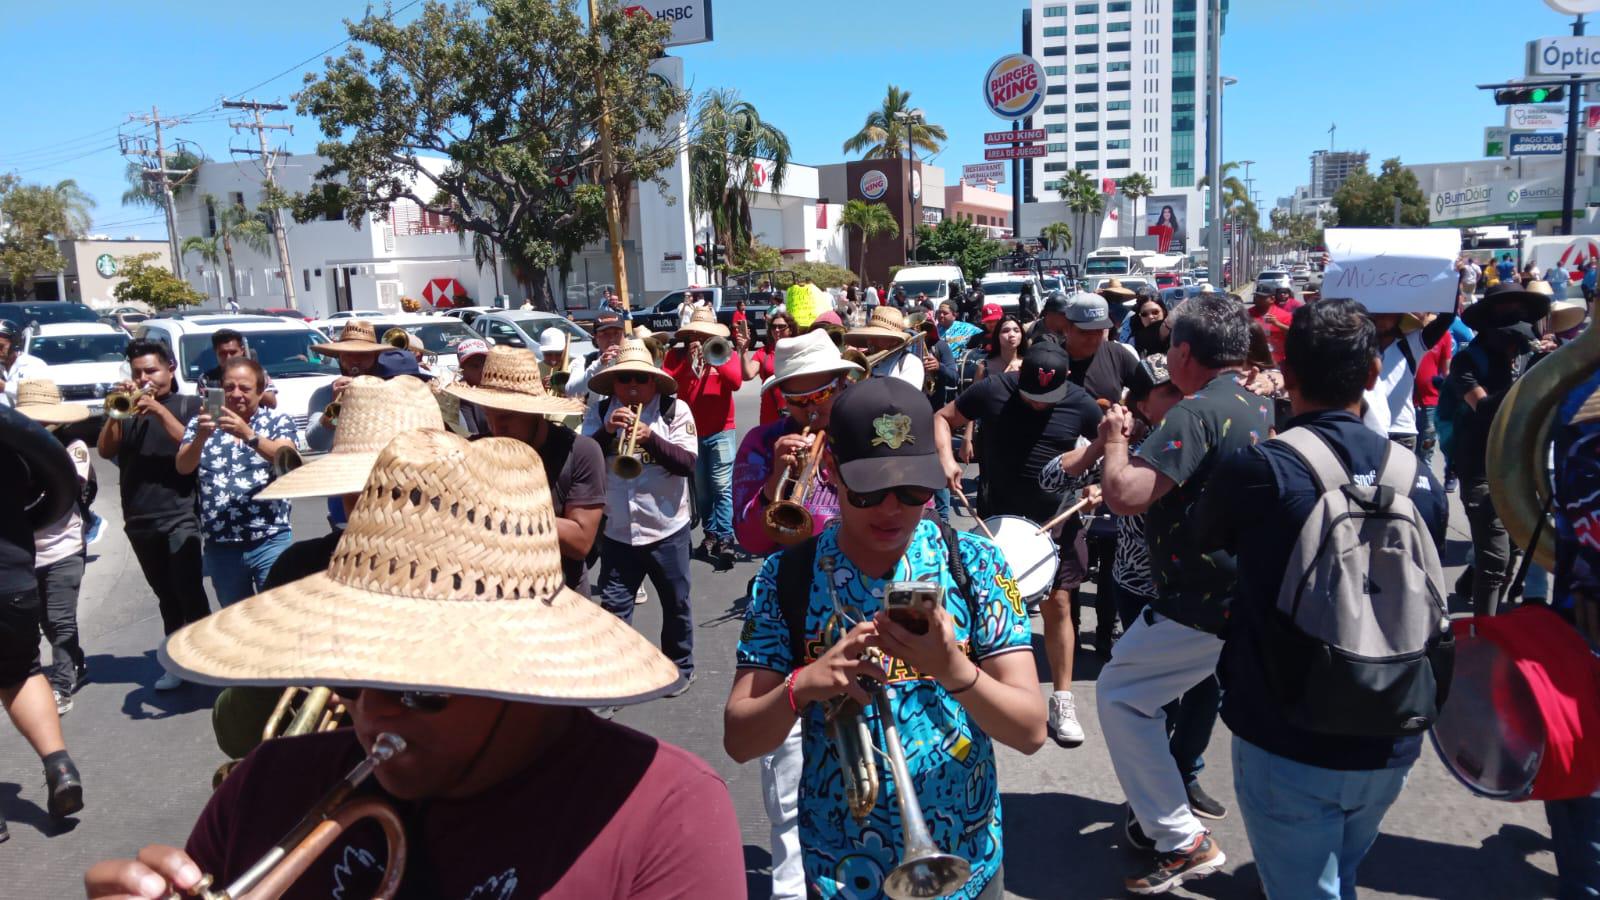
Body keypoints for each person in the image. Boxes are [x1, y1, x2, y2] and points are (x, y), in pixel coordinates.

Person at [88, 429, 745, 899]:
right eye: (348, 675)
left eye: (420, 689)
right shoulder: (266, 786)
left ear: (519, 671)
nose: (371, 715)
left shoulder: (662, 812)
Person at [724, 376, 1046, 900]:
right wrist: (803, 686)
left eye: (914, 489)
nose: (892, 509)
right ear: (830, 473)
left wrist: (954, 671)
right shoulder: (786, 576)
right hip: (840, 871)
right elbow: (739, 739)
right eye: (869, 490)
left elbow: (1031, 730)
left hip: (967, 860)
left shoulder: (977, 565)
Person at [1192, 299, 1447, 900]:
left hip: (1286, 731)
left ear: (1288, 371)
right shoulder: (1420, 479)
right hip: (1393, 726)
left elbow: (1208, 538)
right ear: (1370, 376)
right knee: (1340, 871)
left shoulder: (1260, 471)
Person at [1097, 295, 1273, 893]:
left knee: (1120, 695)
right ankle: (1164, 820)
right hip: (1244, 591)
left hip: (1200, 599)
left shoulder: (1194, 412)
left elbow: (1125, 493)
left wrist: (1115, 439)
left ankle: (1180, 836)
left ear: (1186, 352)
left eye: (1170, 345)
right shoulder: (1259, 406)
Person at [729, 329, 862, 900]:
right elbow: (746, 533)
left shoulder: (872, 433)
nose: (807, 412)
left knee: (869, 761)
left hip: (863, 609)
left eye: (819, 398)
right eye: (795, 401)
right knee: (787, 777)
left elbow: (919, 510)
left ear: (842, 385)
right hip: (791, 612)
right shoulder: (761, 443)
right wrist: (771, 487)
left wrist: (840, 468)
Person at [936, 340, 1104, 750]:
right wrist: (947, 457)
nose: (1038, 405)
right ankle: (984, 694)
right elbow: (943, 417)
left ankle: (1061, 700)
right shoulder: (993, 389)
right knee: (986, 608)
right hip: (997, 519)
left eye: (1047, 399)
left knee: (1060, 604)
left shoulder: (1080, 403)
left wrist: (1100, 481)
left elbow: (1109, 444)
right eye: (1031, 396)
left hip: (1056, 517)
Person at [585, 341, 700, 689]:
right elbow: (584, 458)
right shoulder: (601, 410)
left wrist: (649, 438)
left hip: (667, 528)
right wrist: (606, 434)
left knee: (675, 603)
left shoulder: (675, 411)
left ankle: (680, 667)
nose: (632, 386)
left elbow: (686, 463)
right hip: (619, 530)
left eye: (640, 378)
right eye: (623, 379)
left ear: (654, 382)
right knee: (614, 610)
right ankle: (618, 677)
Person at [98, 340, 209, 691]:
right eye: (137, 373)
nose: (145, 378)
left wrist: (158, 410)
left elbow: (190, 444)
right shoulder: (127, 408)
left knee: (189, 590)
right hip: (139, 516)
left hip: (180, 511)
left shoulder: (189, 405)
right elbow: (105, 449)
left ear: (170, 368)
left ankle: (207, 655)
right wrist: (118, 412)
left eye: (151, 371)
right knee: (166, 595)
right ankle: (176, 660)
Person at [447, 347, 601, 595]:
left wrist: (503, 512)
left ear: (535, 412)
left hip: (560, 595)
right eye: (489, 416)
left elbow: (580, 542)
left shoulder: (580, 451)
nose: (496, 428)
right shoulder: (476, 448)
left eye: (507, 417)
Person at [0, 405, 85, 839]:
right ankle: (59, 763)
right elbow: (49, 491)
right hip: (12, 581)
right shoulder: (11, 446)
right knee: (22, 671)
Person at [1443, 283, 1548, 617]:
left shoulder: (1530, 356)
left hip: (1519, 468)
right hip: (1479, 468)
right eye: (1505, 310)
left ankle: (1471, 585)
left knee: (1514, 549)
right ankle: (1484, 631)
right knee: (1496, 560)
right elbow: (1484, 407)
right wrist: (1528, 380)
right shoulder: (1466, 361)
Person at [175, 357, 298, 609]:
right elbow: (183, 466)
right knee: (235, 621)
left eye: (245, 388)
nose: (236, 394)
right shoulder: (201, 424)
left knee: (278, 615)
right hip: (222, 545)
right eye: (229, 387)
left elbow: (287, 459)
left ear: (261, 391)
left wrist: (248, 435)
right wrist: (200, 437)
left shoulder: (277, 422)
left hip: (270, 538)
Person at [14, 381, 91, 714]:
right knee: (43, 621)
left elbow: (67, 491)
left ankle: (61, 685)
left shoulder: (73, 447)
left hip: (64, 547)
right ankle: (76, 660)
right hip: (23, 550)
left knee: (60, 619)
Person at [662, 308, 745, 569]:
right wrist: (688, 360)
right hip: (690, 432)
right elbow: (668, 384)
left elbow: (736, 382)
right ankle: (710, 535)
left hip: (722, 429)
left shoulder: (724, 352)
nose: (700, 337)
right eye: (696, 333)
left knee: (722, 485)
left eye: (705, 333)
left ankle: (726, 538)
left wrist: (714, 361)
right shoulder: (676, 356)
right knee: (702, 488)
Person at [1360, 310, 1453, 451]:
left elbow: (1446, 318)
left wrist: (1453, 288)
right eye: (1376, 314)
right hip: (1368, 429)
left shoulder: (1411, 344)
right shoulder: (1360, 349)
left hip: (1401, 432)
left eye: (1387, 313)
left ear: (1398, 317)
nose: (1381, 318)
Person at [1036, 292, 1141, 404]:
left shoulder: (1117, 354)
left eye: (1099, 330)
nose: (1094, 338)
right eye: (1085, 332)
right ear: (1067, 327)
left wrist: (1129, 413)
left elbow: (1146, 392)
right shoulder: (1050, 362)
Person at [305, 320, 383, 451]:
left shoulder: (389, 390)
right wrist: (336, 409)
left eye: (363, 355)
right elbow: (316, 443)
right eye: (348, 354)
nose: (355, 361)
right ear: (340, 358)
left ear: (375, 357)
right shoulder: (323, 394)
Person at [844, 306, 923, 389]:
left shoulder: (911, 363)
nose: (869, 341)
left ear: (894, 340)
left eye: (877, 336)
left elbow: (905, 399)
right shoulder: (864, 358)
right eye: (869, 336)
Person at [744, 311, 798, 426]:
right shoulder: (763, 352)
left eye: (781, 327)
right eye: (774, 327)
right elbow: (748, 375)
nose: (777, 330)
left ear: (791, 329)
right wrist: (743, 350)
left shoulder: (800, 351)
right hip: (769, 416)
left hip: (796, 416)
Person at [200, 329, 277, 408]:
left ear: (242, 351)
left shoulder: (258, 373)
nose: (228, 357)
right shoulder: (207, 379)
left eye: (233, 352)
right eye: (223, 353)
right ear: (216, 352)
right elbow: (211, 410)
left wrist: (250, 386)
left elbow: (272, 403)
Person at [566, 309, 629, 400]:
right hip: (596, 413)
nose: (611, 339)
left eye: (616, 333)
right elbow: (571, 393)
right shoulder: (583, 361)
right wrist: (599, 365)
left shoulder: (636, 357)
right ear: (595, 337)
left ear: (624, 335)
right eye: (605, 334)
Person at [0, 320, 47, 407]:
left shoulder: (34, 365)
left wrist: (5, 387)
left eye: (1, 347)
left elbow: (41, 396)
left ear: (15, 345)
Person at [451, 337, 491, 435]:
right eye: (475, 366)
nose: (482, 370)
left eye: (485, 364)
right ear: (462, 369)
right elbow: (472, 436)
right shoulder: (461, 397)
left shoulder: (497, 389)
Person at [1249, 286, 1293, 367]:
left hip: (1277, 361)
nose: (1257, 299)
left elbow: (1293, 334)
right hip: (1253, 360)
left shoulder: (1284, 315)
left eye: (1262, 297)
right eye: (1256, 296)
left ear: (1272, 299)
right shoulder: (1247, 313)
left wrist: (1277, 323)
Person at [1128, 293, 1170, 358]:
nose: (1150, 317)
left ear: (1163, 312)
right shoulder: (1134, 342)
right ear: (1140, 317)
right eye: (1144, 314)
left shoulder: (1176, 334)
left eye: (1155, 312)